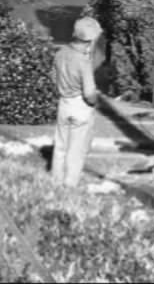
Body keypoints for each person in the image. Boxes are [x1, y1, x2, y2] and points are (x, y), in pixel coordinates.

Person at [50, 16, 102, 187]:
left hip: (63, 103)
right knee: (76, 150)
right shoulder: (83, 61)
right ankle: (70, 185)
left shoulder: (60, 54)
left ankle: (56, 181)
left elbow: (53, 78)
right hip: (80, 105)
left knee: (60, 146)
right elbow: (89, 93)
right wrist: (95, 101)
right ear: (90, 39)